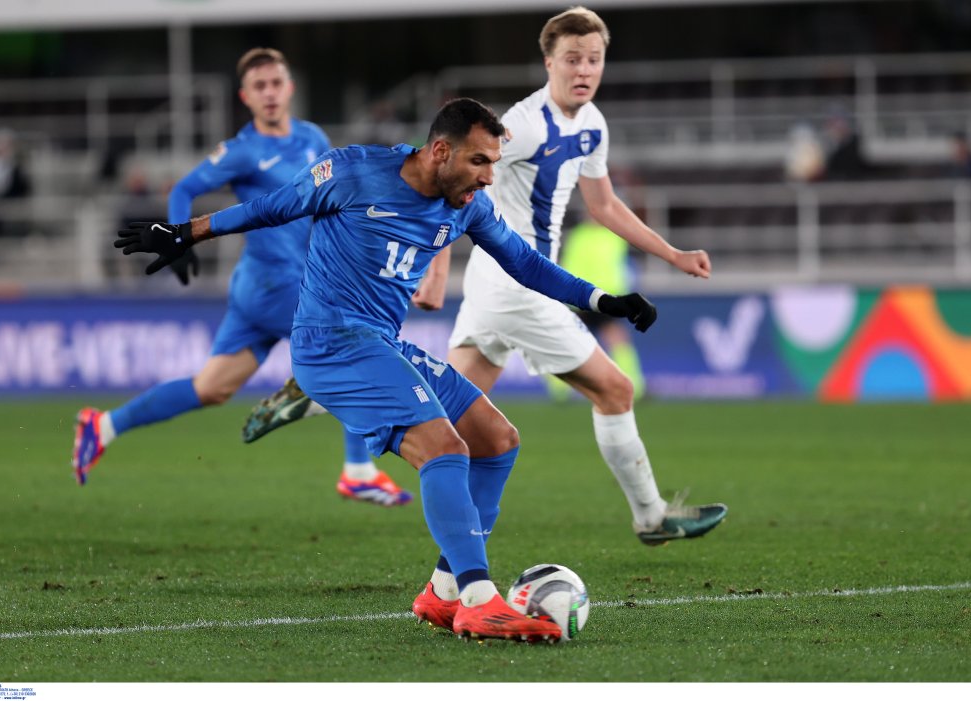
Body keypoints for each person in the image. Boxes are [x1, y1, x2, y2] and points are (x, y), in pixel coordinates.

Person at [114, 97, 657, 642]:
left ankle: (445, 592)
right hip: (329, 343)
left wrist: (601, 300)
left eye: (494, 163)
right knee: (443, 448)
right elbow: (272, 207)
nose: (489, 177)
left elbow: (524, 261)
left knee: (497, 440)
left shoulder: (467, 204)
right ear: (440, 151)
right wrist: (184, 232)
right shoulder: (353, 171)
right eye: (479, 161)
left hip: (380, 343)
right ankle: (479, 600)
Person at [242, 7, 727, 548]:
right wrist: (434, 271)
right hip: (517, 286)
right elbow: (449, 186)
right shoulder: (524, 125)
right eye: (572, 59)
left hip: (496, 287)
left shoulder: (592, 124)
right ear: (549, 63)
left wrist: (671, 254)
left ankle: (318, 394)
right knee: (614, 389)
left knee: (452, 403)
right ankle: (650, 516)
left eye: (594, 59)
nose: (584, 69)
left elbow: (604, 205)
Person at [72, 47, 412, 507]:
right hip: (275, 283)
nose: (269, 93)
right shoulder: (242, 150)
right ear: (245, 97)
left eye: (276, 83)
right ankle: (358, 471)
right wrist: (178, 238)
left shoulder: (312, 137)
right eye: (259, 86)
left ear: (290, 88)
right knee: (351, 348)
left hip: (266, 287)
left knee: (211, 387)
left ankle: (104, 425)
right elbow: (186, 188)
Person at [545, 215, 646, 402]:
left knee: (615, 340)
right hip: (582, 296)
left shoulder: (607, 236)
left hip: (604, 297)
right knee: (567, 341)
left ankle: (634, 387)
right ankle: (559, 390)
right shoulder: (588, 235)